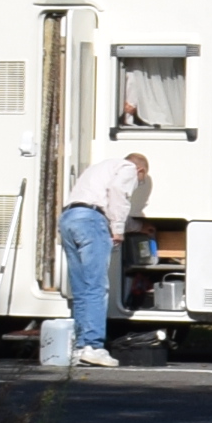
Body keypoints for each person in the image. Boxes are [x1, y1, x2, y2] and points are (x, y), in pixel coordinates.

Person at [59, 149, 153, 369]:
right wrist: (119, 229)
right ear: (140, 170)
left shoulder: (100, 168)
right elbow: (118, 195)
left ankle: (81, 346)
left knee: (81, 288)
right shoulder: (128, 168)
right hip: (92, 222)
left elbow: (105, 205)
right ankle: (94, 346)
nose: (137, 184)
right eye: (140, 181)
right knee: (96, 286)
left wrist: (138, 226)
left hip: (69, 219)